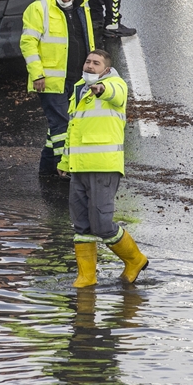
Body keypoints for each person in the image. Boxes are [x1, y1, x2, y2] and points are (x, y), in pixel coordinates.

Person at [59, 49, 149, 286]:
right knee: (81, 225)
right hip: (79, 168)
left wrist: (102, 89)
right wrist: (64, 162)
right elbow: (73, 130)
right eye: (88, 61)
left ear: (106, 70)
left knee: (101, 225)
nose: (89, 66)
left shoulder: (115, 85)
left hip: (103, 167)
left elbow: (116, 95)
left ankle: (135, 259)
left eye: (96, 63)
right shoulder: (79, 89)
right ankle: (86, 277)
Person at [19, 0, 95, 177]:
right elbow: (28, 43)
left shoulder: (82, 8)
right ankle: (66, 169)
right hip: (51, 81)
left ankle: (46, 170)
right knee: (62, 124)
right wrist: (37, 74)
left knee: (59, 125)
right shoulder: (39, 9)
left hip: (78, 80)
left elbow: (88, 42)